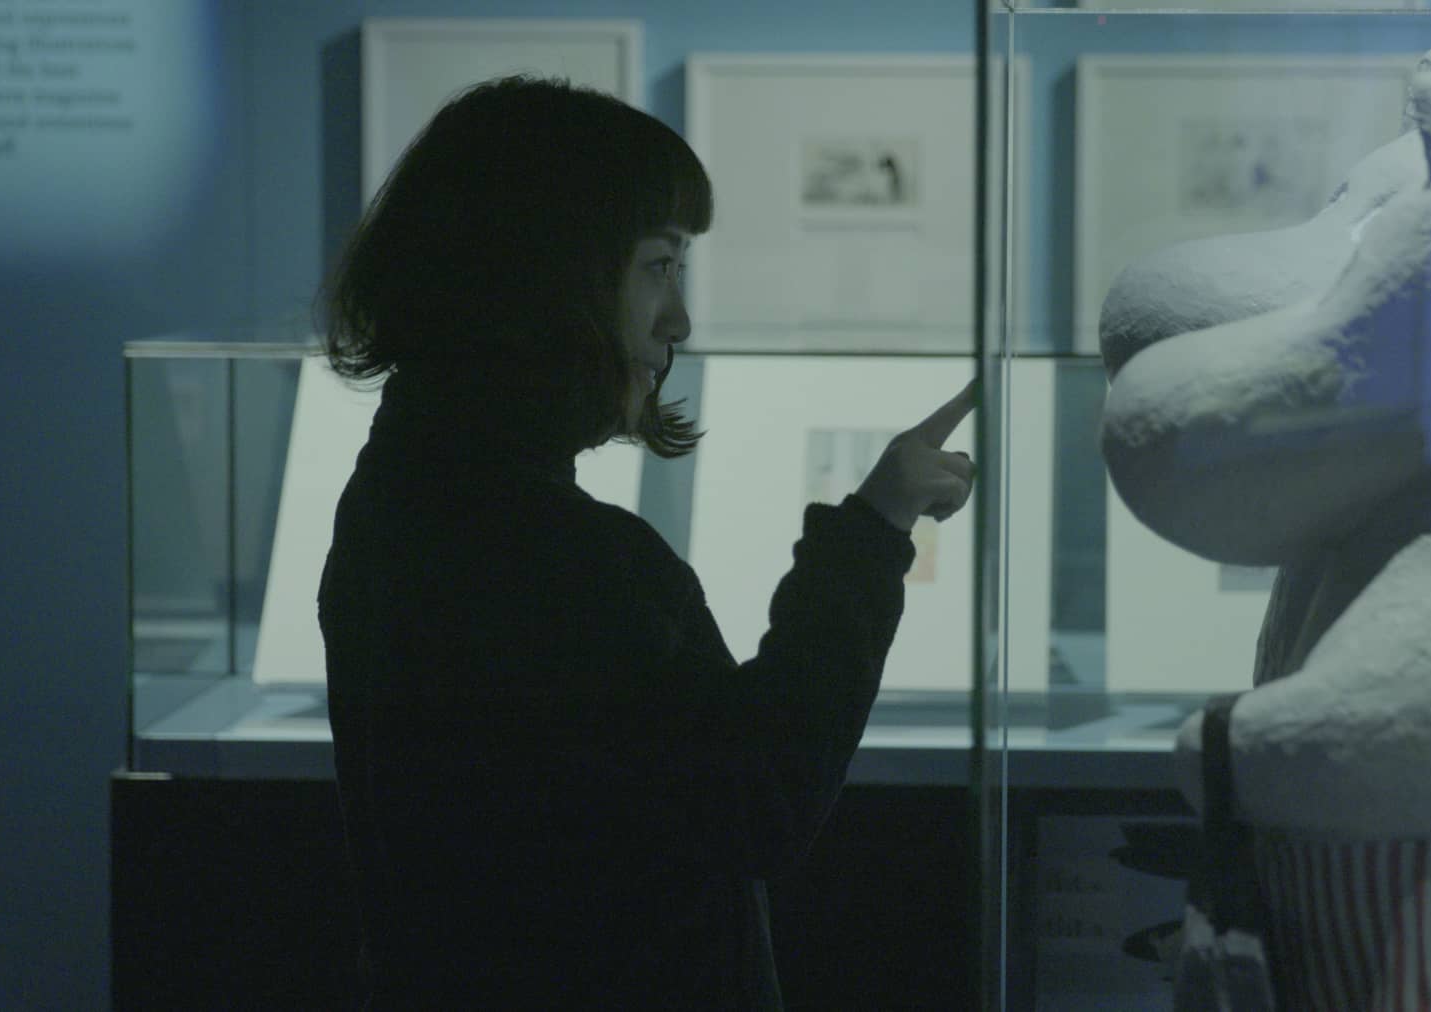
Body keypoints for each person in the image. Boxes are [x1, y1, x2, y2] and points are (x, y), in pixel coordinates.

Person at [315, 75, 976, 1009]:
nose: (678, 319)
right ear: (550, 278)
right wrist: (874, 531)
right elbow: (757, 798)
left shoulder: (400, 495)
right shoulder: (565, 558)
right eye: (658, 267)